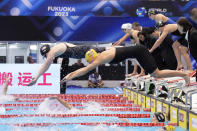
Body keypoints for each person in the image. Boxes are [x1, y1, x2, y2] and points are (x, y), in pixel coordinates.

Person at [60, 44, 190, 86]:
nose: (92, 64)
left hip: (139, 52)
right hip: (137, 53)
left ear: (92, 58)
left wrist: (69, 77)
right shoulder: (104, 51)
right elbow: (125, 51)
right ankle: (183, 74)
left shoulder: (100, 58)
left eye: (91, 61)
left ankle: (184, 74)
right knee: (155, 74)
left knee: (157, 74)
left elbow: (84, 70)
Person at [27, 42, 106, 86]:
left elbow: (46, 65)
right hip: (83, 52)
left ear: (47, 52)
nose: (47, 57)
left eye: (46, 56)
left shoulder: (52, 51)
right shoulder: (55, 50)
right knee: (106, 52)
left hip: (85, 50)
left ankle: (117, 45)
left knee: (107, 50)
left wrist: (36, 77)